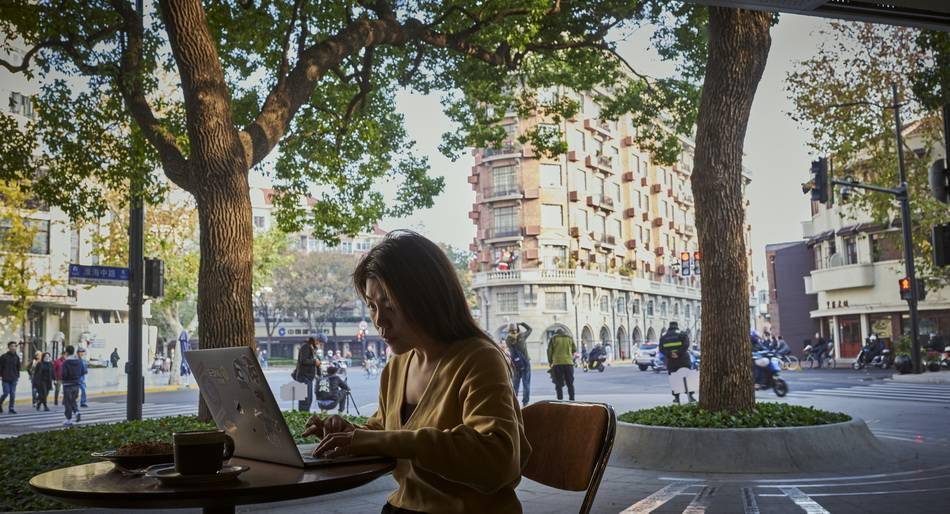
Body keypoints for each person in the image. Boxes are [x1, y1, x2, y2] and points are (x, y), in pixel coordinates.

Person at [302, 230, 528, 514]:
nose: (379, 319)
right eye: (372, 306)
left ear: (428, 297)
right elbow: (385, 431)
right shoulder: (397, 365)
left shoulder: (479, 359)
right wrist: (350, 434)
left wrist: (375, 440)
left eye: (389, 303)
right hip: (401, 507)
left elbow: (498, 460)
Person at [659, 321, 694, 403]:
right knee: (687, 378)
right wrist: (678, 353)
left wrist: (670, 354)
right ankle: (690, 396)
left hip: (671, 361)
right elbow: (686, 345)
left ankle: (676, 398)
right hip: (683, 360)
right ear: (677, 326)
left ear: (669, 326)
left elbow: (661, 349)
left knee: (674, 379)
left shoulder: (663, 336)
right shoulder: (682, 334)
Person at [506, 321, 532, 406]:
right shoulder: (522, 336)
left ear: (509, 330)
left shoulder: (508, 340)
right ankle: (525, 402)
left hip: (516, 365)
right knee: (526, 384)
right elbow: (530, 329)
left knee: (515, 384)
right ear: (517, 329)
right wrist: (522, 323)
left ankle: (513, 402)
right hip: (525, 363)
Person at [547, 328, 576, 401]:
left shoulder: (553, 338)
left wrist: (550, 362)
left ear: (556, 333)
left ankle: (560, 400)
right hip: (568, 363)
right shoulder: (569, 338)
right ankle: (572, 399)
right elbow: (574, 349)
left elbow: (549, 351)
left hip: (557, 363)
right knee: (570, 383)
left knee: (558, 383)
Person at [296, 336, 321, 412]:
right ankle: (303, 417)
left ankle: (305, 416)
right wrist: (314, 362)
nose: (319, 344)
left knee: (309, 400)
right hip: (304, 377)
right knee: (305, 401)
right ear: (315, 340)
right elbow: (303, 361)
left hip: (308, 378)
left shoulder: (311, 348)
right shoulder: (305, 347)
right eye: (320, 342)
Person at [61, 345, 83, 426]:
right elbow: (83, 371)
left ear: (66, 352)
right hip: (76, 384)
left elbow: (64, 374)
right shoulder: (79, 361)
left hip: (67, 385)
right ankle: (77, 412)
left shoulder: (66, 362)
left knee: (67, 402)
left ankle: (69, 419)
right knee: (73, 400)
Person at [0, 341, 21, 414]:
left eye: (15, 346)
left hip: (14, 378)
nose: (13, 347)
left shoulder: (17, 357)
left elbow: (18, 367)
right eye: (12, 346)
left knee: (12, 393)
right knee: (6, 392)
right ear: (9, 347)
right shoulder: (3, 356)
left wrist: (17, 376)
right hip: (5, 378)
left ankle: (11, 408)